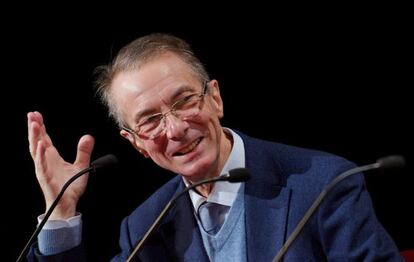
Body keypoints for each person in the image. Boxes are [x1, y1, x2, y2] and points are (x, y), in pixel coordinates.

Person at [26, 33, 402, 261]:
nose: (174, 129)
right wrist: (61, 211)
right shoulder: (144, 228)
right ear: (137, 143)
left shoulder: (323, 185)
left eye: (185, 101)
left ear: (215, 99)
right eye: (150, 120)